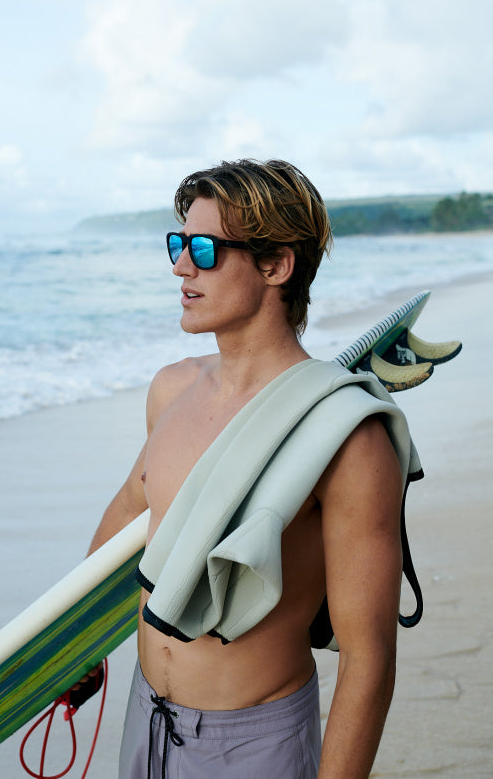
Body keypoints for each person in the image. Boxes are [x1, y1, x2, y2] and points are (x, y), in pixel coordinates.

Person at [87, 159, 412, 779]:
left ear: (276, 266)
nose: (181, 267)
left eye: (204, 249)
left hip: (254, 743)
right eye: (177, 244)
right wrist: (73, 648)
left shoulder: (348, 438)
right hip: (146, 717)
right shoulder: (171, 390)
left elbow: (369, 659)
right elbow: (131, 508)